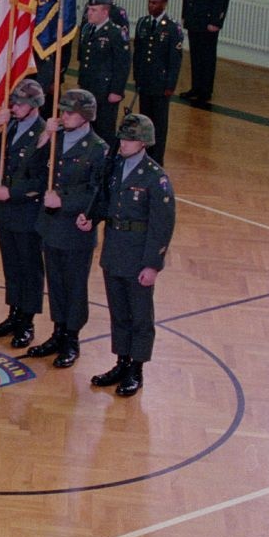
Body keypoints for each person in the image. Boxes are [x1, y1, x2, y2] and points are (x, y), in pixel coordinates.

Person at [90, 113, 176, 397]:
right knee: (119, 312)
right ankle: (121, 361)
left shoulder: (155, 178)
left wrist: (153, 264)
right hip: (114, 248)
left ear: (143, 143)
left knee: (139, 315)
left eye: (129, 139)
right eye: (122, 137)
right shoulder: (115, 168)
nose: (123, 143)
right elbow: (107, 202)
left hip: (138, 255)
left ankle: (136, 369)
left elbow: (162, 226)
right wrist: (92, 218)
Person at [27, 89, 110, 369]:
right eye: (62, 111)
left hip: (75, 230)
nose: (64, 116)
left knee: (74, 287)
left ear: (85, 115)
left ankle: (71, 339)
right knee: (56, 284)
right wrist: (45, 137)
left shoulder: (98, 149)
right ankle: (57, 331)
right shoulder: (56, 139)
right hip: (51, 226)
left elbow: (97, 192)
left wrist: (64, 200)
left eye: (70, 112)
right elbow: (32, 168)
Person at [0, 78, 48, 348]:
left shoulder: (44, 134)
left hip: (27, 211)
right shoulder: (10, 125)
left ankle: (27, 321)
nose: (15, 106)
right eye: (14, 102)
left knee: (29, 268)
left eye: (21, 103)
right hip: (7, 211)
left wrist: (13, 193)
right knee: (12, 266)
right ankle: (13, 314)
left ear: (34, 105)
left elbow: (42, 181)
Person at [131, 0, 184, 164]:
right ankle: (143, 155)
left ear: (164, 4)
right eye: (150, 2)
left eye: (155, 3)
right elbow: (138, 53)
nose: (151, 6)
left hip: (161, 85)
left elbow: (174, 60)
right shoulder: (143, 23)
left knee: (159, 125)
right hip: (145, 82)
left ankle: (156, 159)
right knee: (144, 121)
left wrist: (170, 85)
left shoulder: (172, 28)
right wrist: (137, 76)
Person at [180, 0, 230, 109]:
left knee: (207, 57)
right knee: (195, 55)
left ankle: (205, 91)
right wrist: (185, 15)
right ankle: (196, 87)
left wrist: (216, 22)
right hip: (194, 20)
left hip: (208, 22)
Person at [77, 0, 130, 145]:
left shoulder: (116, 33)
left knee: (104, 129)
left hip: (106, 91)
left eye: (94, 10)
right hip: (89, 87)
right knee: (87, 126)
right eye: (89, 9)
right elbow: (85, 60)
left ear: (105, 12)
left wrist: (116, 91)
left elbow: (123, 64)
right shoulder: (88, 30)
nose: (89, 13)